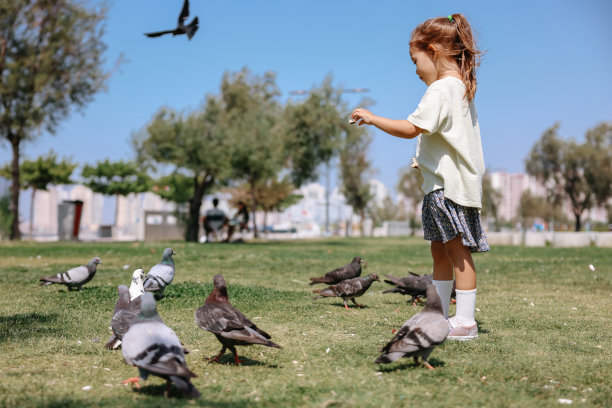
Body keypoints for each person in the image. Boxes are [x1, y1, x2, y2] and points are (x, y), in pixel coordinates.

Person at [351, 13, 488, 341]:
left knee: (457, 251)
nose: (415, 70)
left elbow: (412, 127)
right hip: (441, 184)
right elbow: (447, 139)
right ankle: (438, 314)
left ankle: (465, 321)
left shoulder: (443, 89)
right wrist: (425, 162)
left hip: (448, 189)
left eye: (416, 60)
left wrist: (372, 118)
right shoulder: (458, 89)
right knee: (440, 251)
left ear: (433, 51)